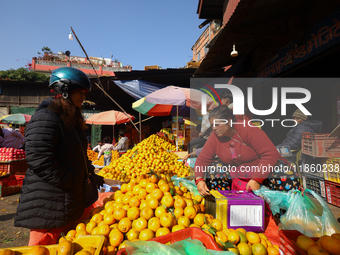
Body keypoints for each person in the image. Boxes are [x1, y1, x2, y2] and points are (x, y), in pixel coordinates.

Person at [14, 67, 104, 246]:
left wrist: (91, 175)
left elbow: (79, 157)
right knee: (42, 248)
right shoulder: (46, 117)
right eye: (80, 91)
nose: (84, 96)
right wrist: (69, 181)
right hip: (47, 205)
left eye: (85, 92)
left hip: (66, 202)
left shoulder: (69, 118)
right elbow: (39, 158)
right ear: (64, 89)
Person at [194, 105, 286, 197]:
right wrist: (199, 179)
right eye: (212, 125)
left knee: (283, 172)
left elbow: (270, 154)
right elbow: (203, 159)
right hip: (236, 174)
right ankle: (223, 205)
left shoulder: (249, 130)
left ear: (229, 121)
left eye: (217, 124)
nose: (214, 128)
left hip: (261, 170)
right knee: (215, 169)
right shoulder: (215, 137)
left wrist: (257, 179)